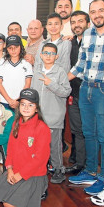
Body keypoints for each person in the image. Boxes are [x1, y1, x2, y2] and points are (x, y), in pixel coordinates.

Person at [68, 0, 104, 202]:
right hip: (85, 88)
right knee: (88, 133)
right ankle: (91, 172)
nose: (97, 15)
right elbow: (81, 63)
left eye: (101, 10)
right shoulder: (89, 33)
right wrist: (63, 79)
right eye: (93, 12)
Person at [0, 88, 51, 207]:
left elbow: (40, 159)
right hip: (15, 170)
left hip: (33, 174)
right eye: (23, 104)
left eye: (30, 105)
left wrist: (21, 175)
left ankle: (40, 190)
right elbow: (10, 148)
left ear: (37, 108)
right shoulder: (16, 123)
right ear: (19, 106)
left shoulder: (42, 128)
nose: (26, 108)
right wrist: (9, 169)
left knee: (9, 206)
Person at [31, 43, 72, 184]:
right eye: (46, 53)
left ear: (57, 56)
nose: (48, 56)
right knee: (39, 145)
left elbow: (66, 91)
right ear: (41, 55)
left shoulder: (60, 72)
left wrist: (50, 83)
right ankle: (42, 167)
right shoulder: (36, 71)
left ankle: (59, 169)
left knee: (54, 145)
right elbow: (33, 92)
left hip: (54, 116)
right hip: (38, 117)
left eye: (52, 53)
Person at [65, 11, 90, 175]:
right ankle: (81, 164)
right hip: (73, 92)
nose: (76, 25)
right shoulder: (70, 43)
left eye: (80, 21)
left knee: (91, 132)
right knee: (77, 130)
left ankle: (91, 166)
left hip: (90, 93)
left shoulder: (93, 42)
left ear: (88, 23)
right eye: (73, 22)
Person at [0, 35, 33, 110]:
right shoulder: (2, 62)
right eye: (10, 48)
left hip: (21, 102)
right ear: (7, 49)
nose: (13, 50)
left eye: (16, 47)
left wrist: (18, 100)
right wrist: (9, 100)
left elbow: (27, 84)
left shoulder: (26, 63)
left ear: (21, 47)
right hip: (4, 101)